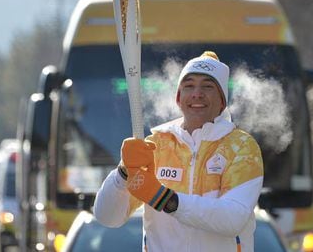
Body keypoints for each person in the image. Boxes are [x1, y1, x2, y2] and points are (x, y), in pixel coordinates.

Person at [94, 51, 264, 252]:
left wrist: (166, 199)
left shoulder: (241, 147)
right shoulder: (156, 145)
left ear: (222, 101)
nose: (196, 94)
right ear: (178, 98)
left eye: (208, 87)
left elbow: (232, 218)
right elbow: (107, 217)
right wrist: (123, 173)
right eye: (189, 86)